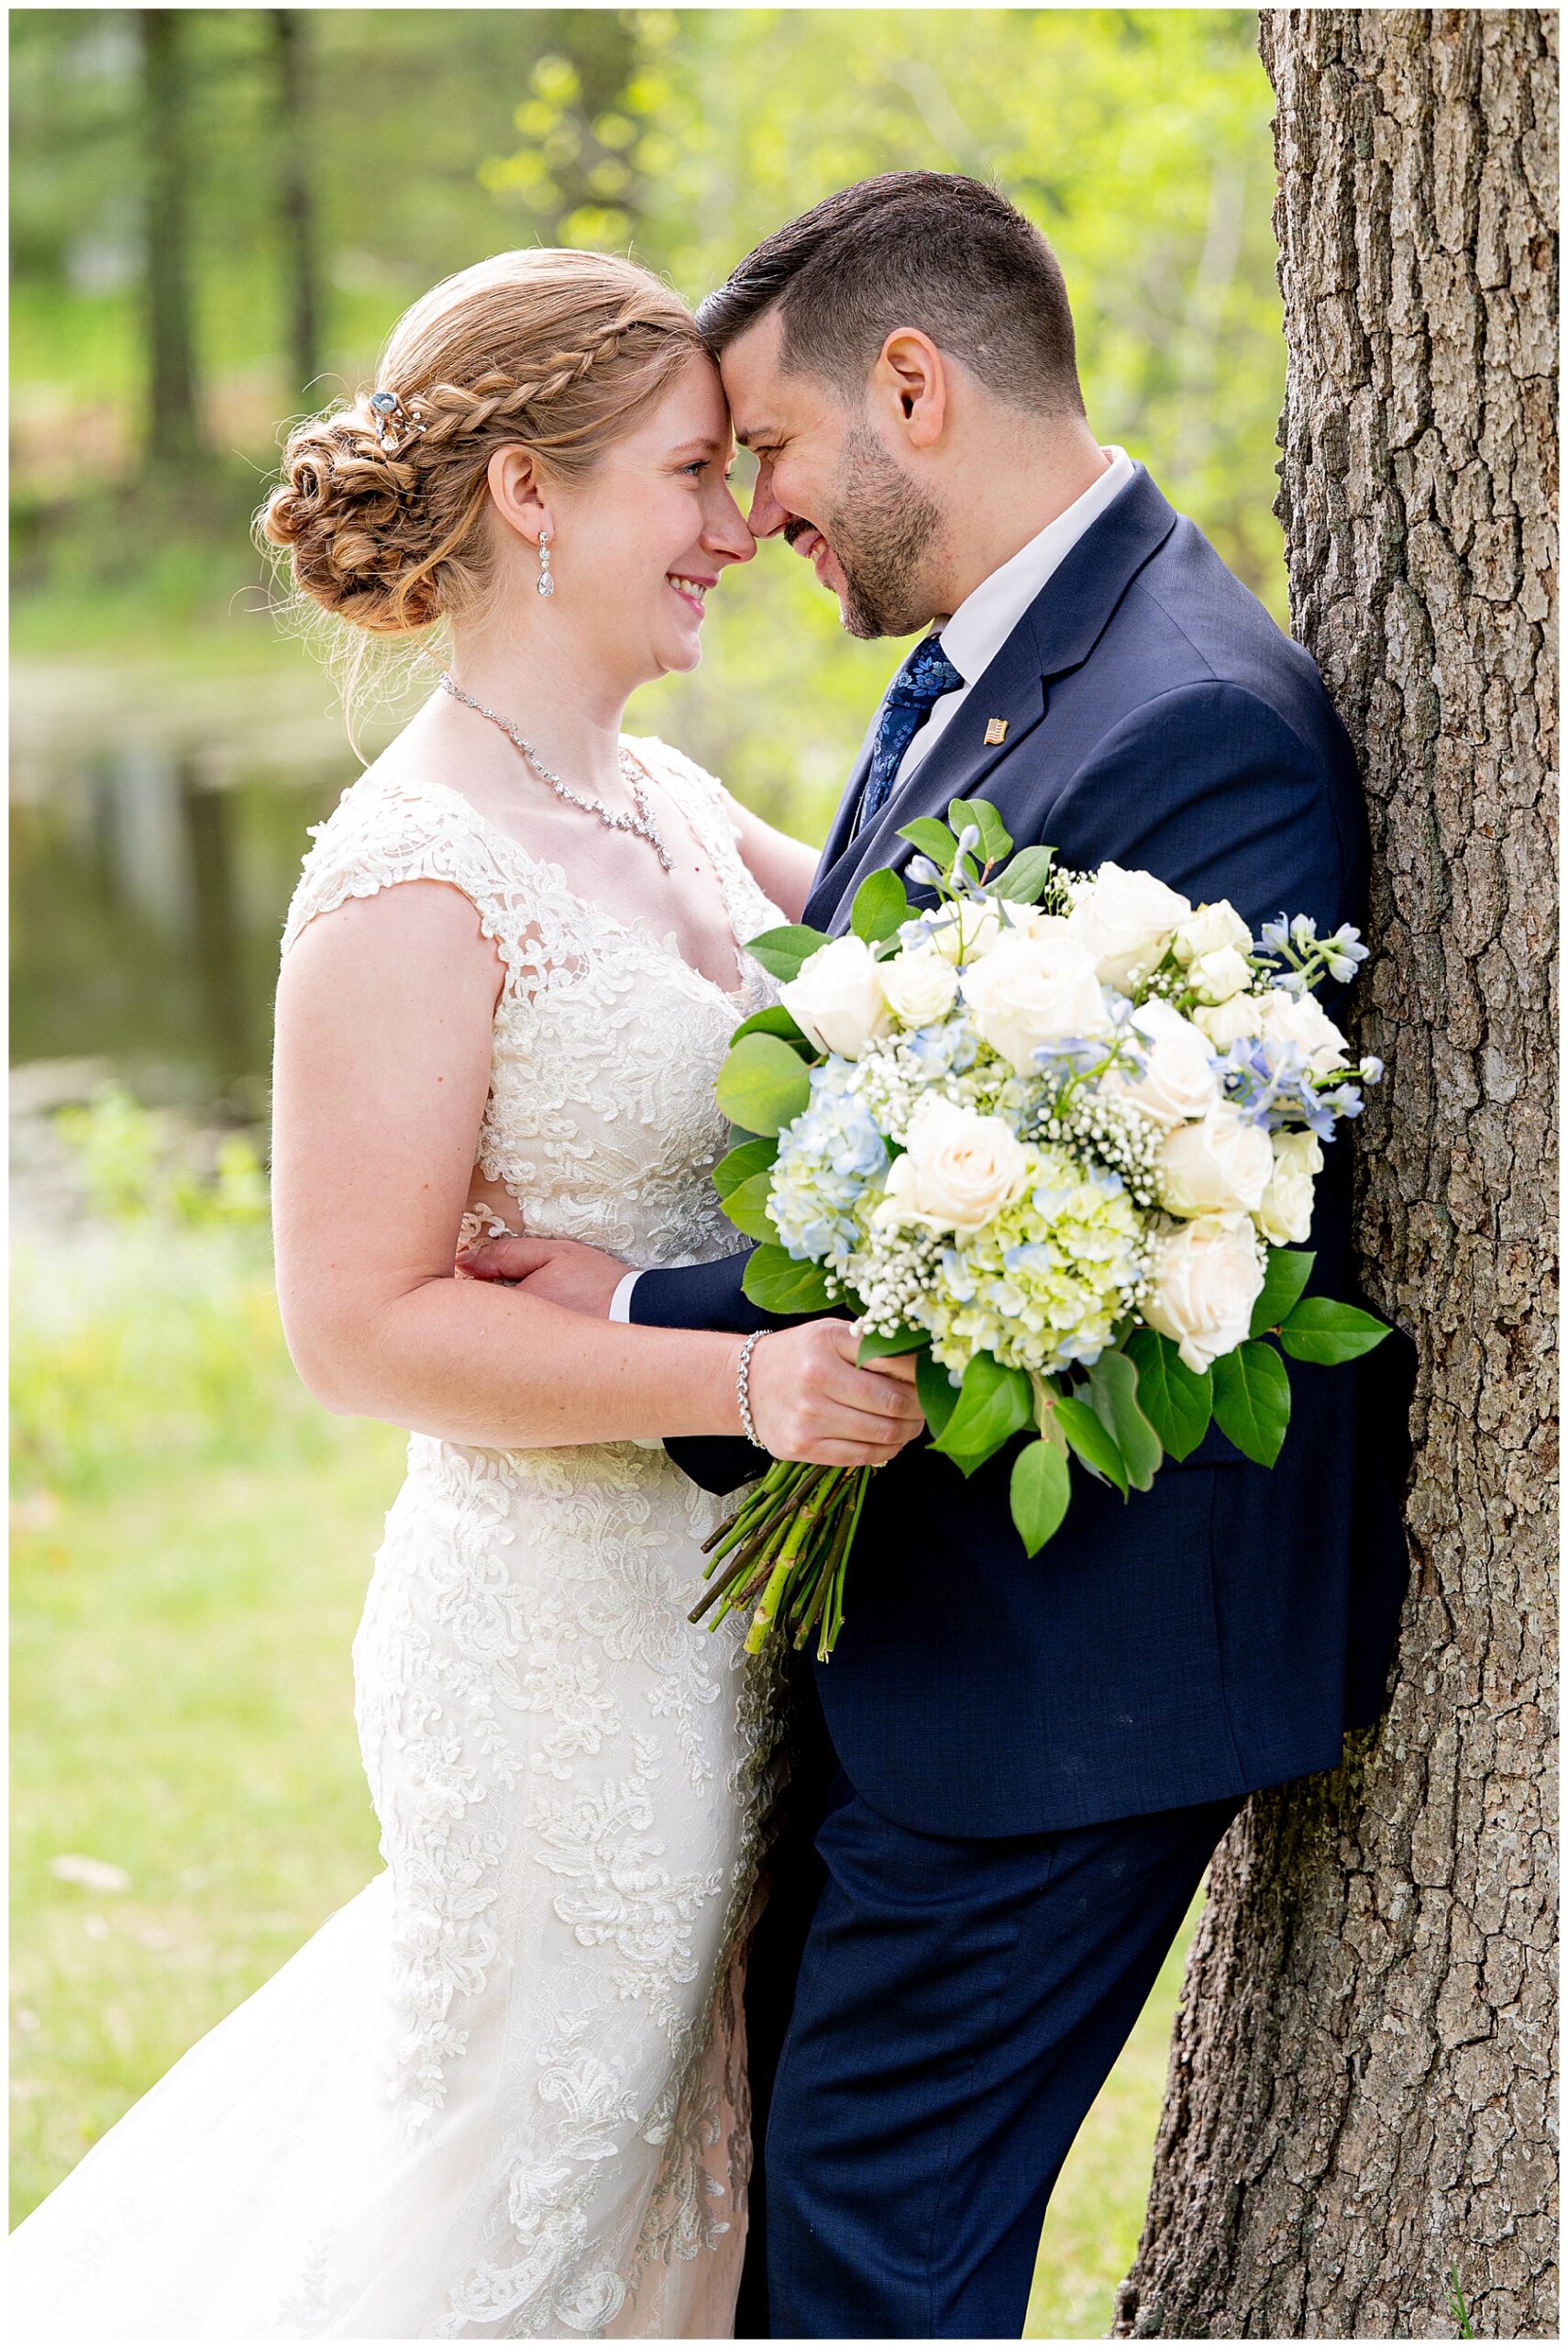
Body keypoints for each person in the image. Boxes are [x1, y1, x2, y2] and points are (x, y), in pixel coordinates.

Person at [465, 173, 1416, 2339]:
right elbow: (907, 1052)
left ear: (916, 384)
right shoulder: (1006, 663)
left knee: (865, 2265)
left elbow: (1061, 1255)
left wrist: (625, 1315)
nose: (756, 514)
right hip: (945, 1653)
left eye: (770, 455)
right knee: (815, 2230)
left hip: (1067, 1683)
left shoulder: (1190, 718)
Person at [6, 247, 925, 2339]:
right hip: (548, 1665)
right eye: (693, 474)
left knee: (670, 2196)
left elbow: (924, 958)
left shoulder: (660, 794)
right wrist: (744, 1370)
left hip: (714, 1644)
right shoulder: (412, 877)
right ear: (532, 493)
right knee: (521, 2194)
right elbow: (356, 1329)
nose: (735, 526)